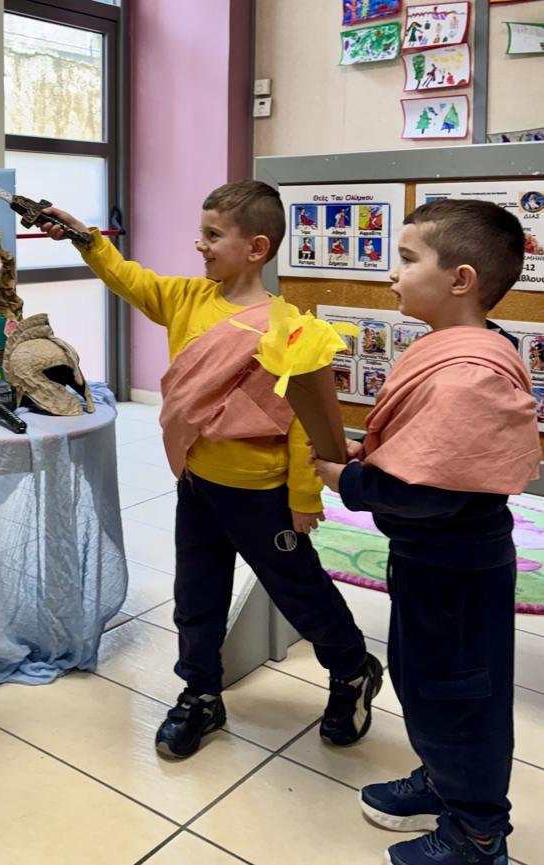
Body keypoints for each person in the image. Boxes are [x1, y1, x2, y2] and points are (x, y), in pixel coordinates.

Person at [39, 180, 381, 758]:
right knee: (196, 596)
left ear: (256, 248)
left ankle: (352, 670)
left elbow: (304, 421)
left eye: (213, 235)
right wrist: (83, 238)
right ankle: (200, 693)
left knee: (301, 593)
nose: (200, 245)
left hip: (262, 495)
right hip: (198, 485)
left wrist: (304, 496)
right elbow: (129, 277)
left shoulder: (287, 325)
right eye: (201, 233)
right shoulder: (188, 299)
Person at [313, 199, 540, 865]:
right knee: (421, 679)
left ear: (461, 279)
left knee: (460, 696)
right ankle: (444, 780)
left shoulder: (470, 374)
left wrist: (348, 480)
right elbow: (424, 448)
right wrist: (370, 455)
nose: (393, 273)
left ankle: (478, 832)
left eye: (408, 259)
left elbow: (431, 489)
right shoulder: (451, 347)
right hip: (424, 560)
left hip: (456, 571)